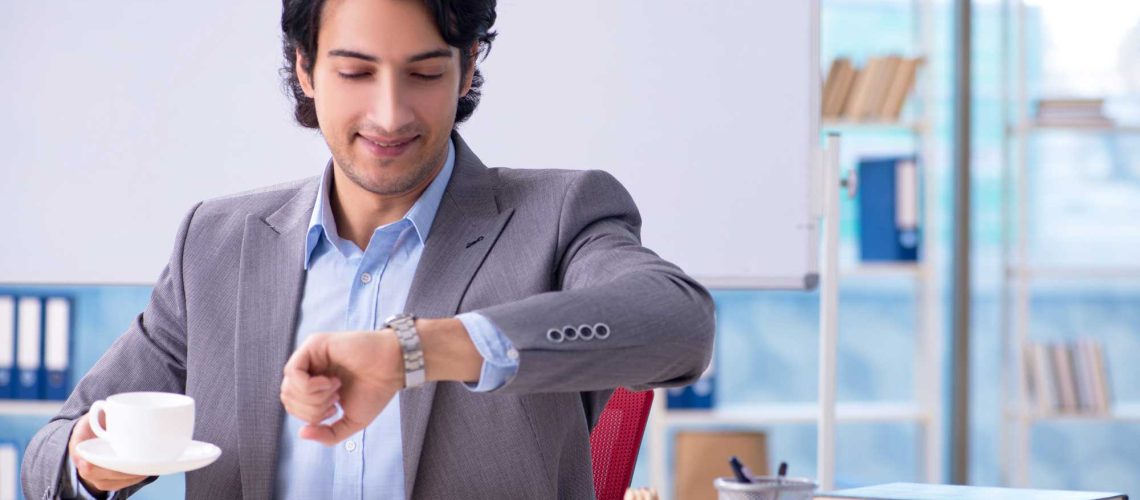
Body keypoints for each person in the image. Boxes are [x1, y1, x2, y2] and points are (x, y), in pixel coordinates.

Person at [21, 0, 715, 498]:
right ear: (305, 68)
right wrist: (94, 463)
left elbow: (678, 325)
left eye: (423, 72)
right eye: (355, 72)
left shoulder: (558, 215)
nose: (390, 114)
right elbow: (50, 455)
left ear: (468, 68)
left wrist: (417, 352)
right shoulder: (217, 243)